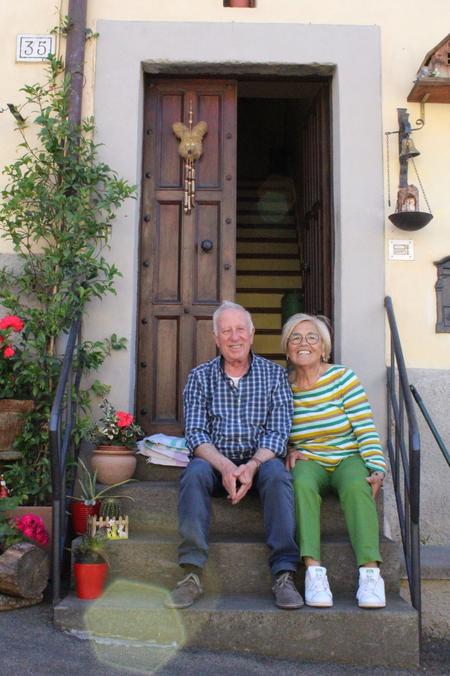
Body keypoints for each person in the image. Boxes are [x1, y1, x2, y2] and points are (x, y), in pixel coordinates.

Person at [165, 301, 302, 610]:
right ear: (216, 338)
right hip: (216, 465)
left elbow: (278, 433)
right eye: (226, 331)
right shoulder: (200, 377)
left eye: (240, 329)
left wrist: (252, 465)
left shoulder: (274, 375)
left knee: (278, 474)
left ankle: (284, 573)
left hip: (260, 464)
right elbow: (196, 434)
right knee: (194, 473)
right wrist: (226, 466)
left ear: (252, 334)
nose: (234, 337)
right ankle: (191, 572)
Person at [280, 313, 387, 609]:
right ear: (287, 349)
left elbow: (364, 426)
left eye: (312, 337)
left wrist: (376, 467)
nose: (303, 343)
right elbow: (274, 427)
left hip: (346, 456)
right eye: (295, 338)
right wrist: (287, 449)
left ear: (324, 348)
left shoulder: (343, 378)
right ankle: (314, 573)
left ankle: (370, 575)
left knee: (356, 485)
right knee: (300, 484)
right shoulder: (282, 385)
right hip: (309, 458)